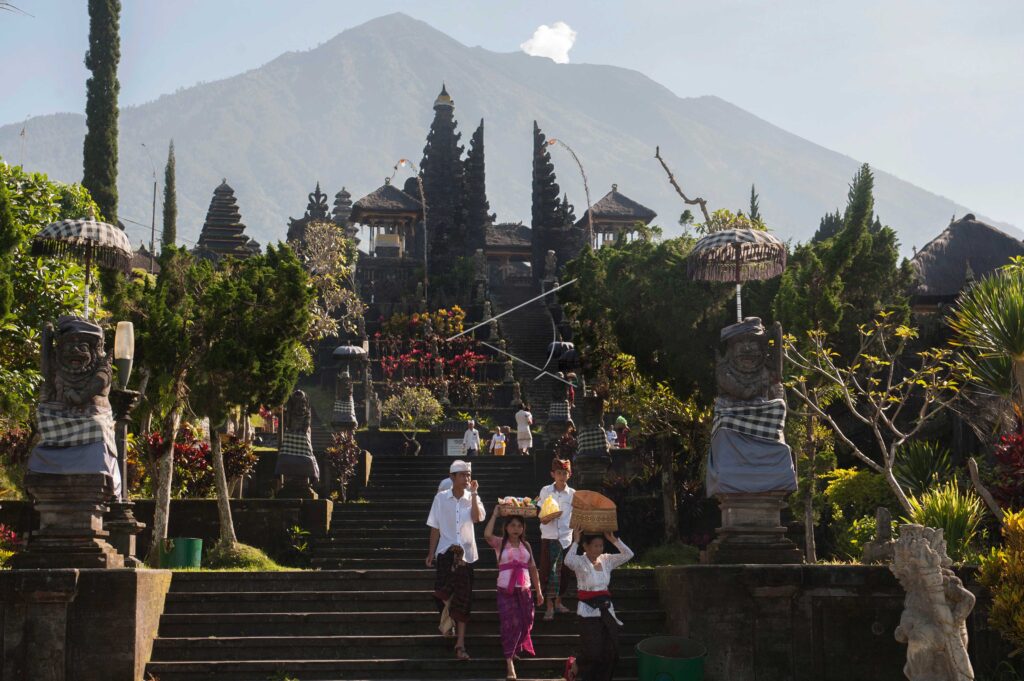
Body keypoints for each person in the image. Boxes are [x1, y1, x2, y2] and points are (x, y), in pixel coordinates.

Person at [426, 459, 486, 661]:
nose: (466, 478)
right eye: (462, 475)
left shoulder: (472, 497)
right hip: (445, 551)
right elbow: (434, 527)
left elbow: (478, 519)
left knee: (464, 599)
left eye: (468, 474)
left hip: (467, 555)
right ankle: (447, 621)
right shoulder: (441, 498)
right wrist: (430, 553)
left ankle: (460, 643)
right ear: (452, 477)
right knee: (441, 592)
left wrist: (475, 494)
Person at [563, 528, 634, 681]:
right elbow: (567, 561)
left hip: (607, 609)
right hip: (588, 611)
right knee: (593, 651)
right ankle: (576, 665)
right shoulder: (579, 561)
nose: (599, 548)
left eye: (601, 545)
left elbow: (629, 554)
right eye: (595, 545)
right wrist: (575, 541)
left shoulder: (606, 559)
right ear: (586, 546)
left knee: (611, 650)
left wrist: (614, 540)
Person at [484, 510, 544, 680]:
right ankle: (509, 662)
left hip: (524, 589)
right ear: (507, 527)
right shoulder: (500, 543)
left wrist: (538, 591)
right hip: (505, 589)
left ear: (523, 528)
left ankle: (515, 647)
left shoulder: (527, 546)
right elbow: (487, 534)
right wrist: (494, 514)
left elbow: (533, 568)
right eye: (512, 525)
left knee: (526, 622)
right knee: (510, 623)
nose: (516, 529)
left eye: (519, 525)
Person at [537, 458, 575, 620]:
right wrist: (546, 517)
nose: (561, 476)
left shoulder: (573, 494)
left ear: (569, 474)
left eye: (564, 473)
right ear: (553, 474)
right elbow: (541, 513)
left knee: (564, 572)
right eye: (558, 473)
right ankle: (549, 605)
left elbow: (577, 515)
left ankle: (559, 602)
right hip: (549, 536)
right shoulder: (546, 491)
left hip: (566, 537)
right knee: (548, 571)